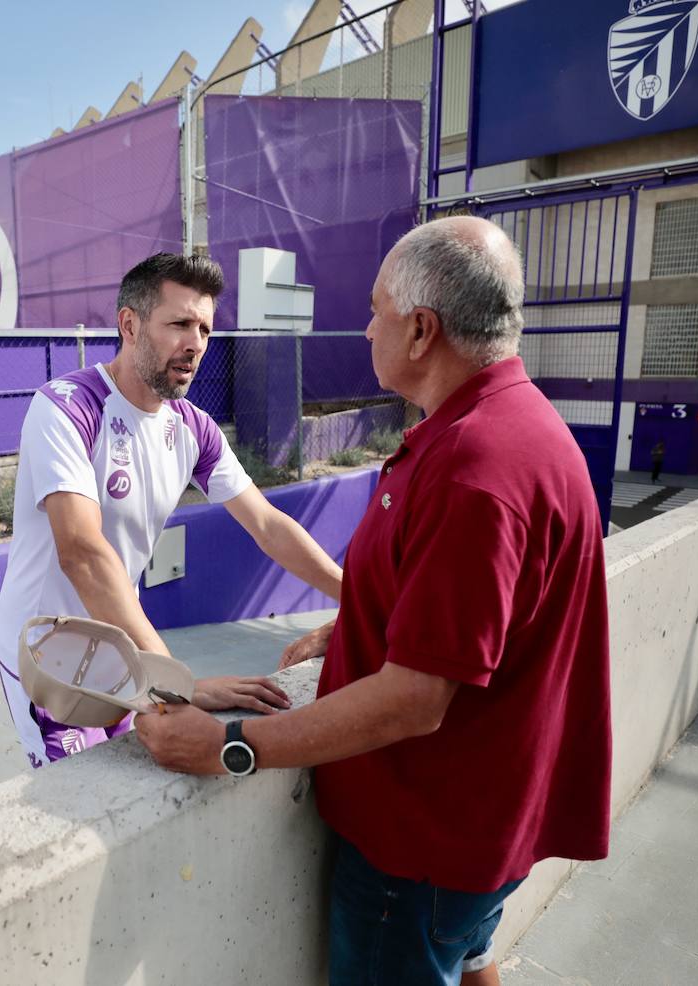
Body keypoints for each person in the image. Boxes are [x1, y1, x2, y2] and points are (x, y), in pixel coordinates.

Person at [136, 217, 612, 986]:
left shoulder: (473, 470)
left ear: (421, 330)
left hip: (421, 855)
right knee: (472, 958)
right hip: (483, 827)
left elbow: (417, 700)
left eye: (376, 311)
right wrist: (367, 621)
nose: (364, 329)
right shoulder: (519, 429)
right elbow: (479, 617)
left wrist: (228, 745)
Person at [0, 253, 343, 769]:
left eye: (204, 327)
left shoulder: (192, 427)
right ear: (129, 325)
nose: (196, 343)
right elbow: (83, 554)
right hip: (50, 654)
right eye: (179, 323)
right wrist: (178, 683)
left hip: (122, 648)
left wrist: (358, 601)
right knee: (84, 807)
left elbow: (268, 525)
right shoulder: (66, 407)